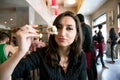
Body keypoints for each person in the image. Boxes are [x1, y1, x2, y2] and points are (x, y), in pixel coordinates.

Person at [0, 11, 87, 80]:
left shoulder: (80, 57)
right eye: (59, 27)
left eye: (69, 28)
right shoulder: (41, 54)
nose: (62, 33)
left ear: (77, 35)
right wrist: (20, 51)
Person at [77, 14, 96, 80]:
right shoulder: (88, 26)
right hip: (92, 49)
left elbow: (82, 40)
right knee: (92, 66)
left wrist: (80, 47)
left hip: (87, 50)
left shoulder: (82, 27)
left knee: (88, 68)